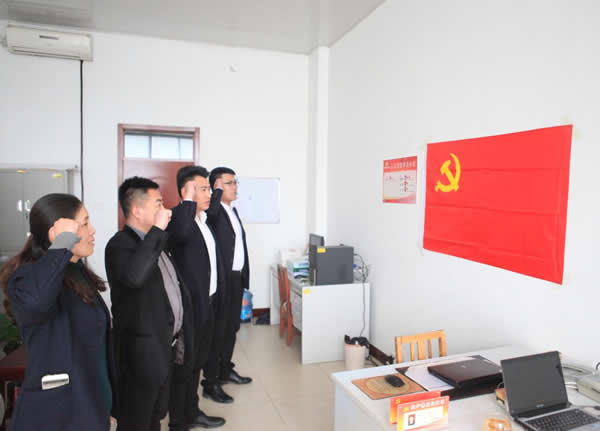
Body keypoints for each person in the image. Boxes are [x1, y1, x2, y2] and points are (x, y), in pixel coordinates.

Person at [0, 193, 116, 431]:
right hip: (57, 416)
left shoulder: (77, 272)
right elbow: (36, 302)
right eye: (84, 224)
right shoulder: (27, 278)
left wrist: (105, 407)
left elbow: (96, 353)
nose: (92, 230)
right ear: (58, 233)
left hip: (88, 407)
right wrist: (62, 243)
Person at [105, 177, 194, 431]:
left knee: (155, 415)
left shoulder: (155, 241)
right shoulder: (120, 244)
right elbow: (135, 276)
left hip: (163, 347)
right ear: (137, 210)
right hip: (140, 355)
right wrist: (156, 231)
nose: (165, 210)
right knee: (137, 420)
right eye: (158, 203)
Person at [167, 166, 227, 429]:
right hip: (190, 309)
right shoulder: (178, 219)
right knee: (184, 366)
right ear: (186, 191)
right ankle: (178, 421)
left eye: (208, 188)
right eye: (202, 189)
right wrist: (188, 200)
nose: (209, 193)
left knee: (197, 363)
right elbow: (179, 235)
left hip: (208, 304)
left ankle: (192, 412)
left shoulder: (203, 220)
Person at [205, 167, 252, 390]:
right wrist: (215, 193)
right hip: (223, 281)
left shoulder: (232, 210)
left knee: (231, 328)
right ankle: (211, 381)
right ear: (216, 186)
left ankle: (225, 369)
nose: (235, 187)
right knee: (219, 331)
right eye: (229, 183)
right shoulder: (213, 211)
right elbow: (210, 215)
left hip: (236, 280)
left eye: (235, 182)